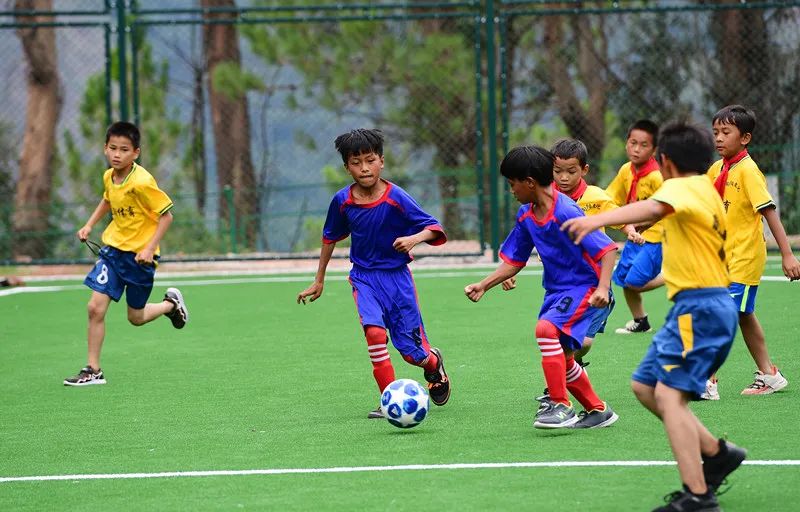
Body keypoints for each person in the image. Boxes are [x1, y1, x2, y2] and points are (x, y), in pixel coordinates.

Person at [562, 121, 746, 511]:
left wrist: (595, 220)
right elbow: (663, 215)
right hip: (696, 307)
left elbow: (654, 205)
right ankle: (716, 454)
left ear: (665, 161)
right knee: (646, 387)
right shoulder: (703, 191)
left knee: (669, 396)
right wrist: (644, 224)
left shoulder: (680, 186)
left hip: (700, 309)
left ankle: (698, 496)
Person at [297, 128, 450, 418]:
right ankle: (388, 399)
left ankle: (433, 365)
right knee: (375, 334)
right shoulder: (342, 201)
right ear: (346, 167)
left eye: (370, 160)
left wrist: (414, 239)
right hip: (364, 278)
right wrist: (319, 280)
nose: (364, 168)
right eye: (356, 162)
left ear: (381, 161)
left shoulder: (397, 198)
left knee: (411, 352)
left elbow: (434, 228)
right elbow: (330, 237)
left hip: (397, 280)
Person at [465, 145, 619, 429]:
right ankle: (598, 411)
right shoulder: (526, 215)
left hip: (585, 287)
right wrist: (484, 285)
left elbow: (608, 250)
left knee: (546, 330)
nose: (511, 191)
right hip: (558, 291)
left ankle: (561, 405)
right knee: (564, 355)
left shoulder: (566, 211)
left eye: (513, 185)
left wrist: (602, 288)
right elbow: (514, 261)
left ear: (530, 183)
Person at [64, 121, 188, 387]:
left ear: (136, 153)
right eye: (112, 148)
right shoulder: (109, 176)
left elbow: (166, 216)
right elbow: (107, 199)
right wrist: (89, 224)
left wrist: (148, 248)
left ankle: (170, 305)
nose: (116, 154)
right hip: (112, 251)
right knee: (94, 308)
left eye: (124, 149)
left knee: (136, 317)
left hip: (139, 259)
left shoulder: (142, 182)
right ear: (105, 148)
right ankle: (93, 370)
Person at [703, 105, 800, 399]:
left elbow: (770, 214)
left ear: (745, 138)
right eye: (716, 132)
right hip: (723, 259)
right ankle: (770, 375)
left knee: (720, 316)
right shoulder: (717, 169)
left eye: (726, 132)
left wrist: (787, 255)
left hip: (743, 259)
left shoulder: (748, 171)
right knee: (744, 314)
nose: (718, 138)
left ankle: (706, 381)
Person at [605, 120, 665, 334]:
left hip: (655, 239)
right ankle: (640, 321)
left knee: (635, 282)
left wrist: (639, 226)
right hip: (634, 236)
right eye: (633, 143)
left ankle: (675, 275)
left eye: (644, 145)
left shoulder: (657, 177)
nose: (636, 149)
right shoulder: (625, 170)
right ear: (626, 144)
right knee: (622, 279)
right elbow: (610, 198)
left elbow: (665, 210)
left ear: (654, 149)